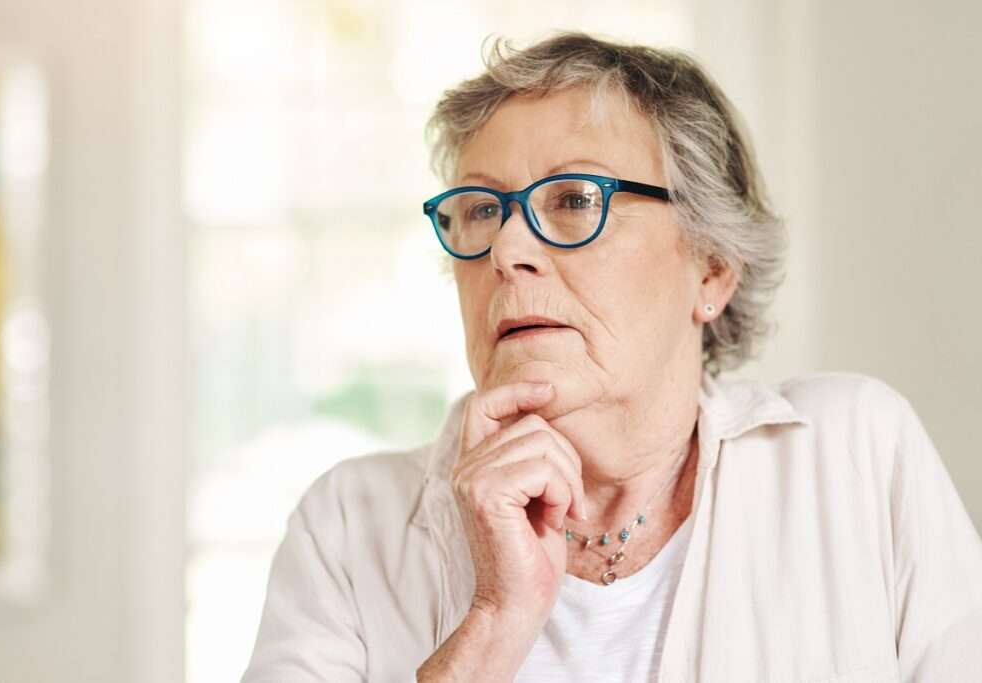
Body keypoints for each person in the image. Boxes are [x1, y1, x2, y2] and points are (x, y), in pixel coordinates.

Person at [241, 32, 982, 682]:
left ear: (712, 267)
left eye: (572, 200)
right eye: (481, 209)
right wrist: (494, 624)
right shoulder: (348, 526)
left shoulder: (854, 455)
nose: (507, 250)